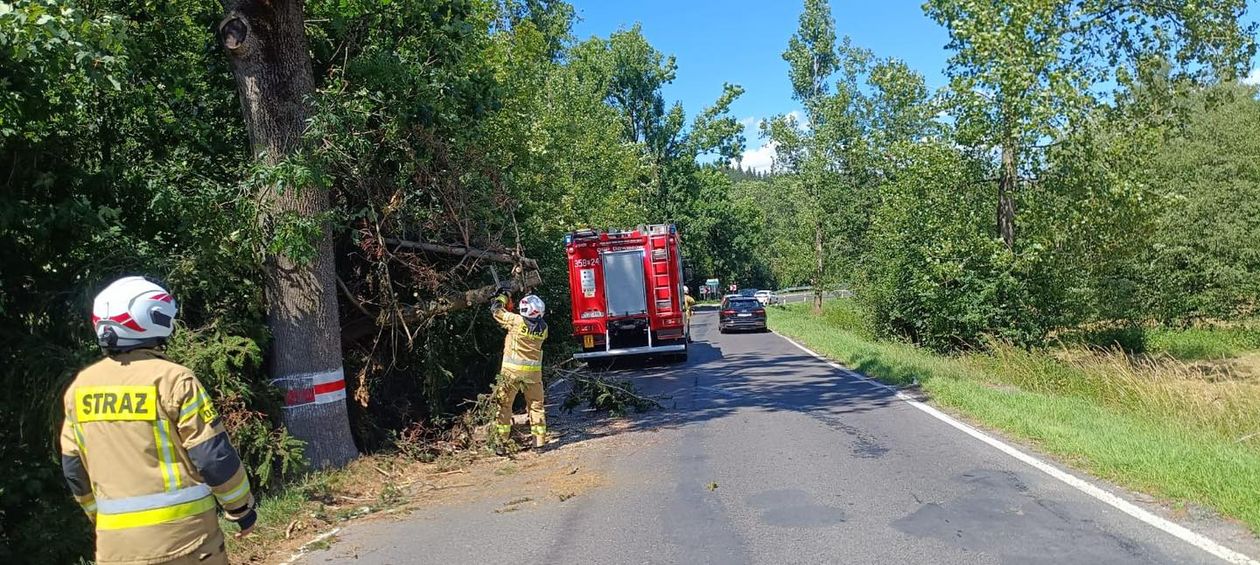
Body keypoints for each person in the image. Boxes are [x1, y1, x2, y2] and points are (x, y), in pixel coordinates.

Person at [61, 276, 256, 565]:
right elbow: (213, 457)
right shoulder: (174, 380)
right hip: (187, 541)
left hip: (116, 550)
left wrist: (101, 518)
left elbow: (73, 468)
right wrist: (241, 510)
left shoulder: (80, 388)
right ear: (153, 318)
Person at [489, 287, 548, 452]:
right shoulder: (544, 329)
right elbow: (528, 321)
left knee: (504, 405)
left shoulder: (515, 321)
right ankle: (539, 443)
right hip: (533, 375)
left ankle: (501, 443)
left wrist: (503, 297)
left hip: (511, 373)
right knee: (536, 406)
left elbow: (496, 310)